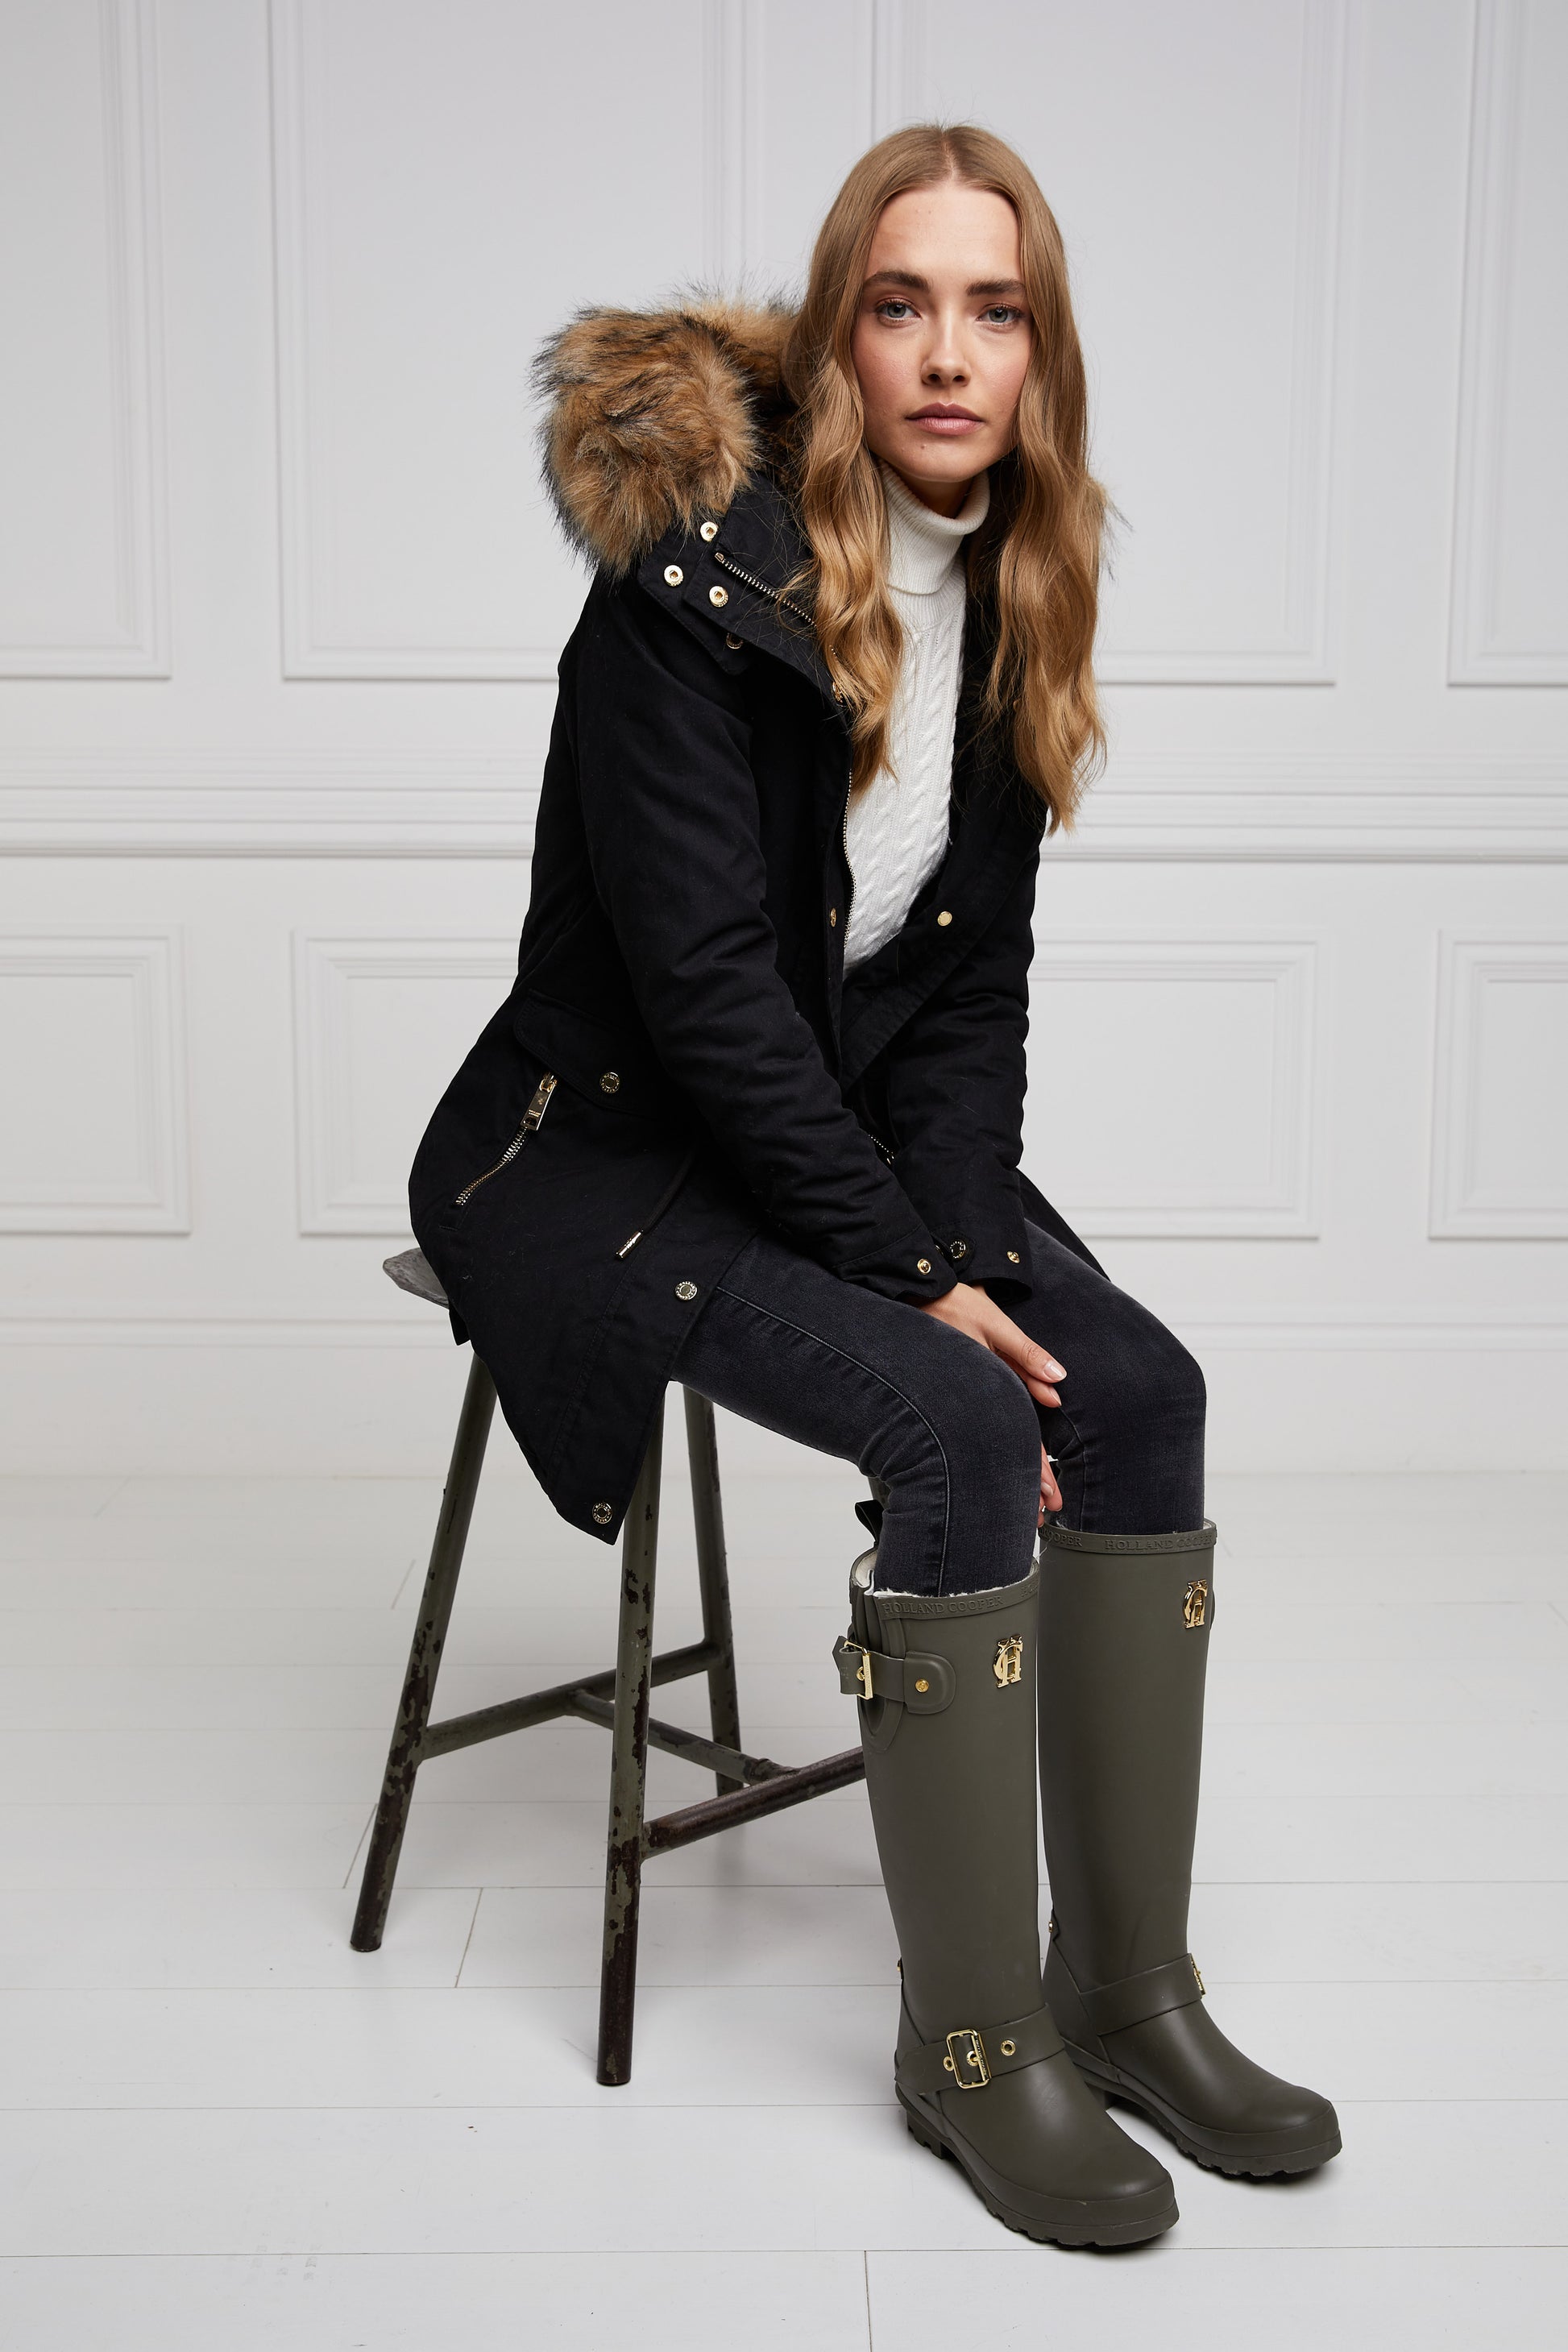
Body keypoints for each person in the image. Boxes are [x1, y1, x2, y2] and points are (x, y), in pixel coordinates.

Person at [409, 122, 1340, 2247]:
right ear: (837, 336)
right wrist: (920, 1282)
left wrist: (960, 1228)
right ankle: (970, 2044)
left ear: (1039, 354)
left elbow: (969, 988)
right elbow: (706, 995)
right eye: (899, 304)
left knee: (1139, 1398)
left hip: (822, 1139)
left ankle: (1127, 1990)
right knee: (952, 1424)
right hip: (604, 1150)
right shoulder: (683, 594)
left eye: (993, 311)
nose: (946, 353)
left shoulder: (1012, 595)